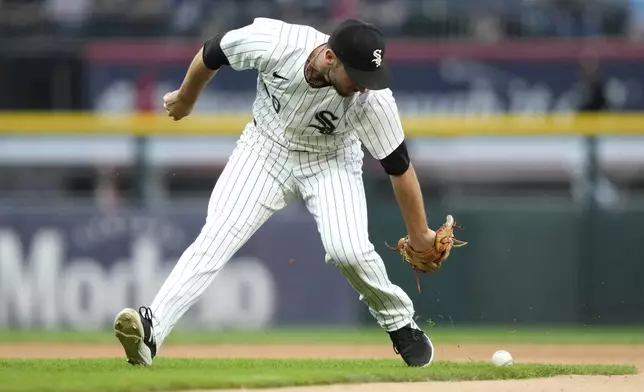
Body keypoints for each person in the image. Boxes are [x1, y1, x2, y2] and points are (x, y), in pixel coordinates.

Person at [113, 17, 441, 368]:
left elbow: (399, 168)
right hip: (264, 149)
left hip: (330, 162)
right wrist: (185, 98)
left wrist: (420, 233)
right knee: (217, 237)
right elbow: (213, 51)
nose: (363, 86)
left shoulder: (373, 101)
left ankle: (399, 323)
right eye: (357, 76)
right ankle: (152, 330)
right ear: (330, 57)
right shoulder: (277, 42)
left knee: (348, 250)